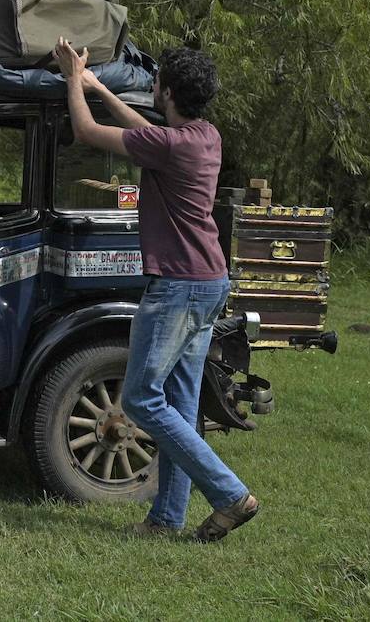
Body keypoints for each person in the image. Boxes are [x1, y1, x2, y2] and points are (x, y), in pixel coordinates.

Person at [52, 36, 258, 543]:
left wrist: (71, 80)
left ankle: (230, 493)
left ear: (163, 90)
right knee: (181, 403)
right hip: (210, 281)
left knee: (143, 401)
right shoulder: (204, 137)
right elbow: (147, 132)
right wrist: (97, 83)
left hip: (179, 287)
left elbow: (83, 131)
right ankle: (166, 518)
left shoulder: (170, 145)